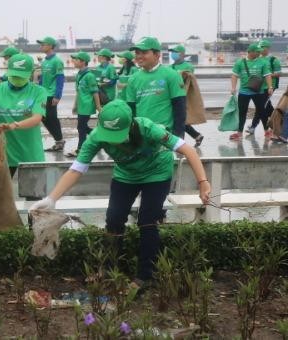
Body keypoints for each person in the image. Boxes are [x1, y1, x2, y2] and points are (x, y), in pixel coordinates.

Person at [30, 99, 210, 286]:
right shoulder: (96, 137)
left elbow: (188, 150)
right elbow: (76, 169)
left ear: (131, 124)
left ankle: (145, 276)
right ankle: (108, 270)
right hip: (126, 176)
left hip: (156, 173)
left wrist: (203, 182)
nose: (112, 140)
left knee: (147, 221)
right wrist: (51, 199)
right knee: (114, 219)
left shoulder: (148, 128)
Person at [0, 53, 47, 177]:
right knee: (0, 194)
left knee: (34, 194)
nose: (17, 79)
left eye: (21, 76)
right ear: (8, 71)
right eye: (14, 75)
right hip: (4, 153)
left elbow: (36, 118)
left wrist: (15, 125)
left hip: (30, 152)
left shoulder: (39, 91)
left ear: (31, 73)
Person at [126, 37, 187, 137]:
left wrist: (178, 136)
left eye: (144, 52)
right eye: (137, 53)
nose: (139, 56)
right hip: (142, 134)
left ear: (157, 55)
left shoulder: (172, 75)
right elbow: (131, 109)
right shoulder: (133, 79)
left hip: (165, 134)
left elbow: (180, 109)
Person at [229, 43, 273, 141]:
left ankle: (266, 131)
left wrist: (270, 87)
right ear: (250, 52)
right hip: (244, 92)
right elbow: (234, 75)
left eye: (259, 52)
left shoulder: (262, 62)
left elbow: (267, 75)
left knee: (262, 112)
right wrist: (233, 87)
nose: (259, 53)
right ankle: (239, 133)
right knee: (242, 112)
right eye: (257, 52)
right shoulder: (240, 62)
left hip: (258, 92)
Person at [67, 51, 101, 158]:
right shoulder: (79, 74)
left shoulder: (89, 76)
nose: (74, 61)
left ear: (83, 62)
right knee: (83, 127)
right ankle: (99, 138)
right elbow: (78, 92)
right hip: (81, 106)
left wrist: (98, 107)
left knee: (81, 127)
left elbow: (95, 92)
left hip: (87, 106)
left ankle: (80, 149)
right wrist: (75, 104)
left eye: (76, 60)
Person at [169, 44, 204, 146]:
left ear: (182, 54)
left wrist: (180, 74)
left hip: (182, 96)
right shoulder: (171, 67)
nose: (173, 54)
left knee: (179, 119)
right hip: (171, 96)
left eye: (175, 52)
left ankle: (180, 143)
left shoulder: (188, 66)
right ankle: (196, 135)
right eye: (172, 52)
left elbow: (188, 79)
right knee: (178, 119)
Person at [37, 36, 65, 152]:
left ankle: (59, 141)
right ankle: (59, 140)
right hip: (43, 94)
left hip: (51, 94)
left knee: (52, 117)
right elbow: (42, 78)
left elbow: (60, 79)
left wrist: (57, 95)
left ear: (50, 46)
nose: (41, 46)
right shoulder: (44, 61)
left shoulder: (57, 61)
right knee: (43, 117)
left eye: (43, 44)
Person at [249, 39, 281, 138]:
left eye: (263, 48)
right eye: (260, 48)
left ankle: (253, 126)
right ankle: (279, 120)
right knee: (267, 107)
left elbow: (278, 73)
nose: (260, 50)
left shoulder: (273, 60)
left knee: (260, 106)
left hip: (269, 86)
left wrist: (267, 75)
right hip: (258, 86)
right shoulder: (257, 59)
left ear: (267, 48)